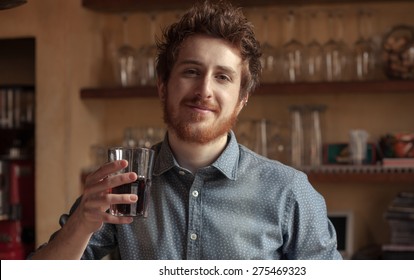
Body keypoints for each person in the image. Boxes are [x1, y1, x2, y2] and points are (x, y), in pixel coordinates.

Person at [31, 0, 341, 260]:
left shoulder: (289, 191)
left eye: (223, 77)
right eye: (191, 71)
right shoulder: (121, 186)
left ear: (242, 100)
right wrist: (81, 224)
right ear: (163, 86)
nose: (204, 90)